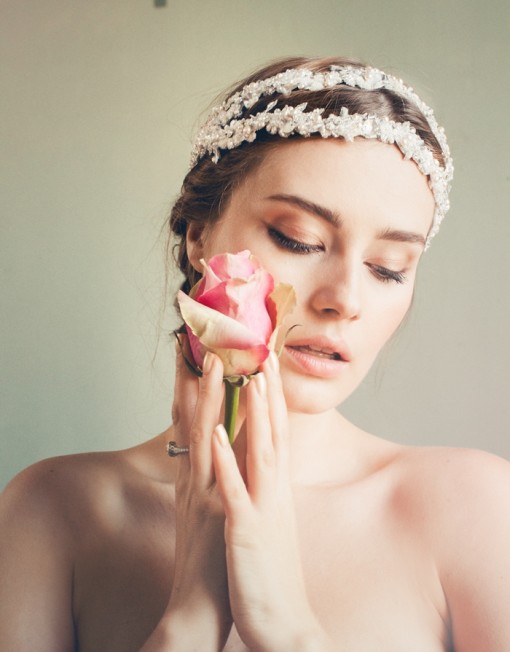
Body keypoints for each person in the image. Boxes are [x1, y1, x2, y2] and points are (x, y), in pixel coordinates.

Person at [1, 55, 509, 652]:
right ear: (198, 234)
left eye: (388, 269)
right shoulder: (54, 512)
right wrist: (190, 615)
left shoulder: (477, 510)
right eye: (298, 239)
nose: (343, 299)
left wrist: (288, 630)